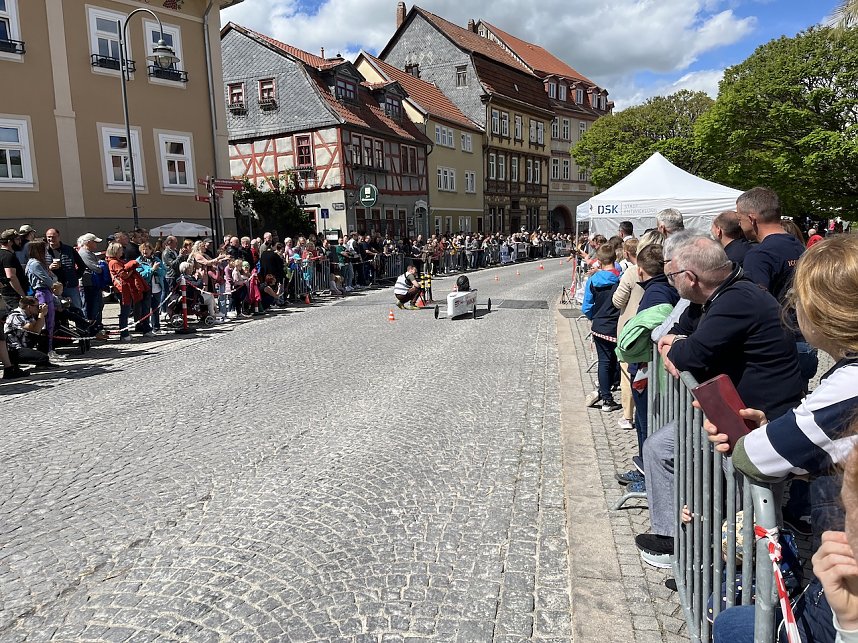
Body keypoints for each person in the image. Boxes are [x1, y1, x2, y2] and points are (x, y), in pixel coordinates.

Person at [706, 234, 858, 643]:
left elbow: (753, 459)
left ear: (822, 313)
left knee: (735, 628)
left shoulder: (850, 385)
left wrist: (760, 437)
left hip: (847, 588)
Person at [634, 235, 805, 567]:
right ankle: (675, 541)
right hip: (726, 413)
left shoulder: (736, 299)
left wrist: (677, 345)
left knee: (746, 501)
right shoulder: (712, 297)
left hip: (755, 419)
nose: (670, 283)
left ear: (690, 278)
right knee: (659, 448)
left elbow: (689, 354)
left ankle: (753, 579)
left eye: (671, 277)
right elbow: (681, 336)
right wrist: (678, 343)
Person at [582, 244, 622, 413]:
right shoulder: (622, 278)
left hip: (599, 326)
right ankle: (612, 389)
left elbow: (586, 306)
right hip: (618, 325)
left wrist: (594, 317)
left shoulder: (593, 280)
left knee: (604, 362)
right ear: (615, 258)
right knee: (618, 361)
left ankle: (606, 398)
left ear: (598, 260)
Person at [25, 239, 64, 361]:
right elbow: (49, 280)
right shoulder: (34, 264)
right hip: (42, 292)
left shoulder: (38, 263)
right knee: (47, 323)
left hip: (46, 292)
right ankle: (47, 350)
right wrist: (55, 285)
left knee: (50, 323)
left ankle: (49, 349)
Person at [4, 296, 53, 367]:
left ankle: (42, 364)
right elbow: (35, 330)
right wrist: (41, 314)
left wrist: (42, 315)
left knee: (44, 334)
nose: (38, 308)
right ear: (29, 307)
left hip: (24, 344)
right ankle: (14, 362)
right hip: (14, 349)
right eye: (37, 306)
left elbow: (39, 330)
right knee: (43, 358)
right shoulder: (16, 316)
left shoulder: (28, 315)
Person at [45, 228, 85, 311]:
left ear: (59, 237)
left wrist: (75, 276)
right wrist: (49, 268)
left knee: (77, 309)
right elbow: (40, 268)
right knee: (58, 311)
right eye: (49, 237)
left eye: (53, 237)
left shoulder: (69, 250)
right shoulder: (44, 251)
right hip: (53, 286)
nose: (51, 239)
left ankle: (81, 324)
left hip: (70, 286)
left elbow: (81, 265)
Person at [0, 228, 27, 311]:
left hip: (7, 293)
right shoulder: (8, 256)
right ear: (9, 241)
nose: (20, 242)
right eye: (17, 239)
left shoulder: (3, 254)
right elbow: (11, 276)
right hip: (13, 295)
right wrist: (22, 295)